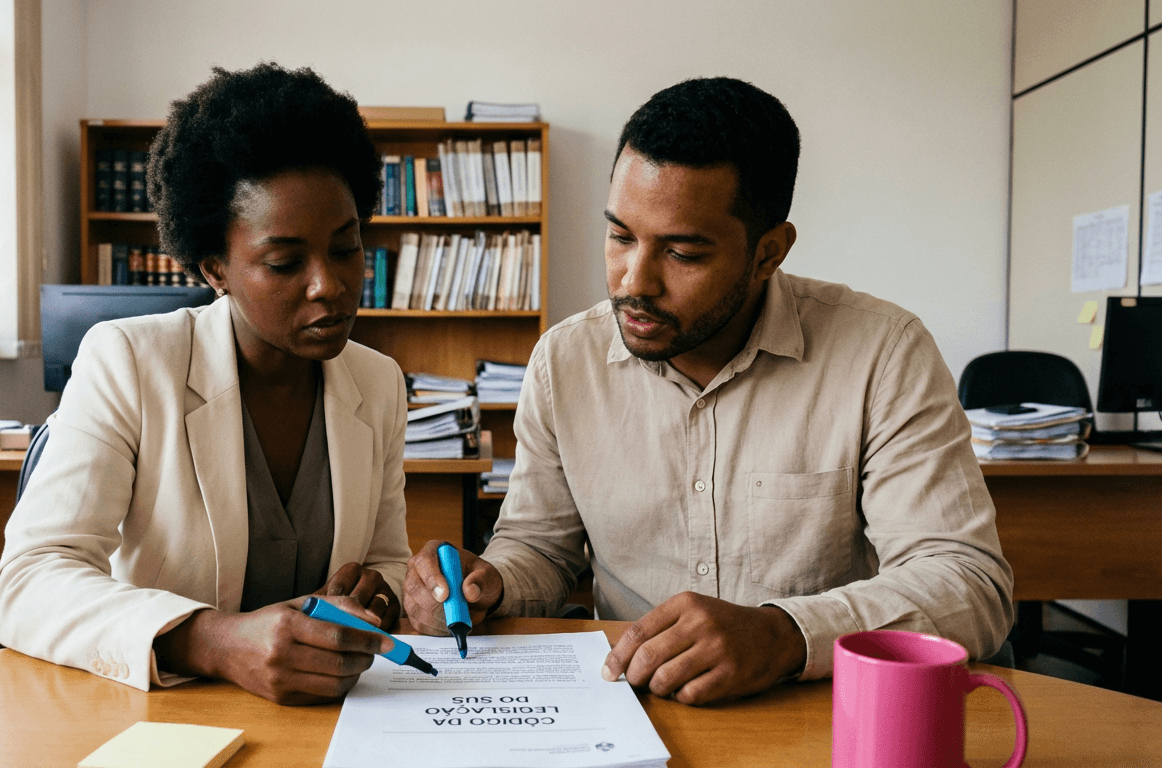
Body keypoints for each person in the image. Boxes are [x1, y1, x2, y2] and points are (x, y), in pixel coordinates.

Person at [405, 77, 1014, 705]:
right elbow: (540, 548)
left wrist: (784, 635)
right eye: (620, 237)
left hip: (819, 713)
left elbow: (968, 584)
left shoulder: (883, 352)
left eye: (683, 253)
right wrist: (491, 584)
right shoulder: (565, 360)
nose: (633, 282)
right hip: (633, 712)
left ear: (768, 252)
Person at [0, 63, 411, 704]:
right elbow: (27, 578)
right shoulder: (129, 362)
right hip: (167, 719)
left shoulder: (376, 382)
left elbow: (388, 559)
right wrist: (211, 641)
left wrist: (375, 591)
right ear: (215, 269)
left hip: (326, 721)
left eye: (347, 248)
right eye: (285, 262)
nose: (329, 284)